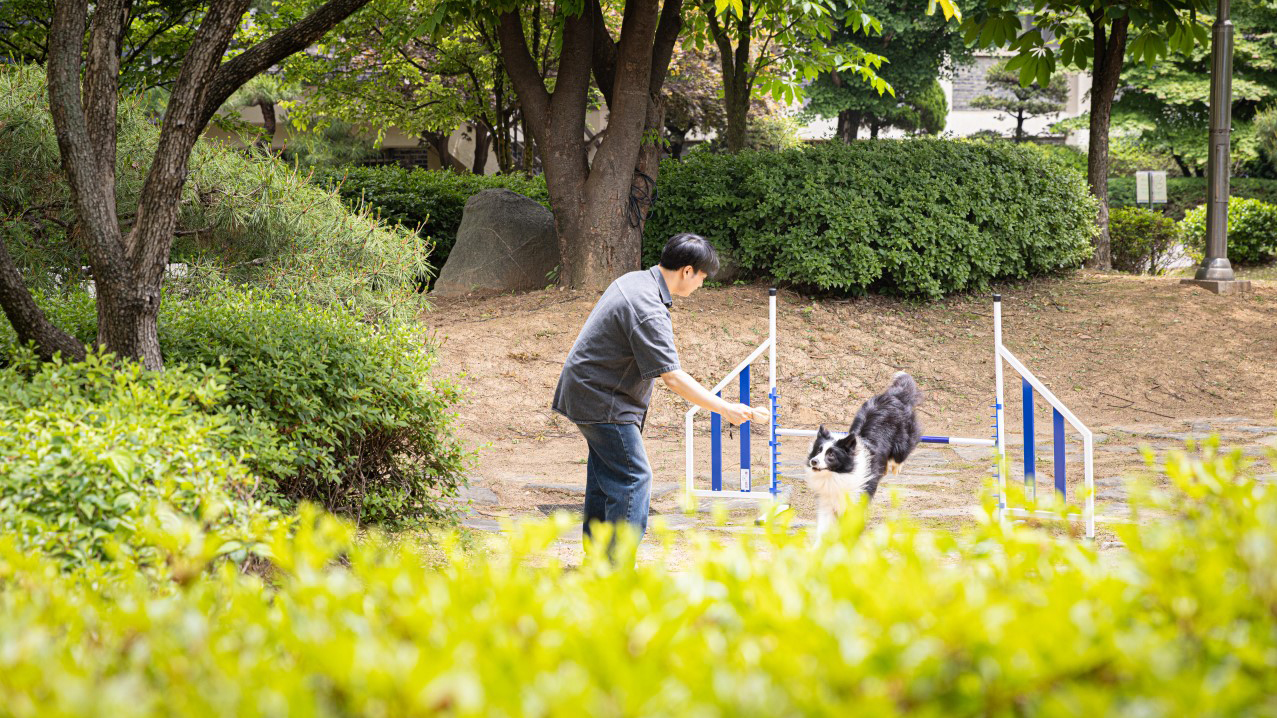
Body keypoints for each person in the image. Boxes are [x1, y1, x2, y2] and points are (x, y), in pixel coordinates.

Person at [552, 233, 770, 550]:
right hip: (603, 401)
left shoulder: (636, 281)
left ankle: (598, 565)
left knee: (606, 477)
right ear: (687, 271)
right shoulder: (647, 307)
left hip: (590, 392)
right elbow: (673, 377)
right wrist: (725, 409)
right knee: (633, 479)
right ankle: (616, 572)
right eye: (702, 278)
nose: (701, 285)